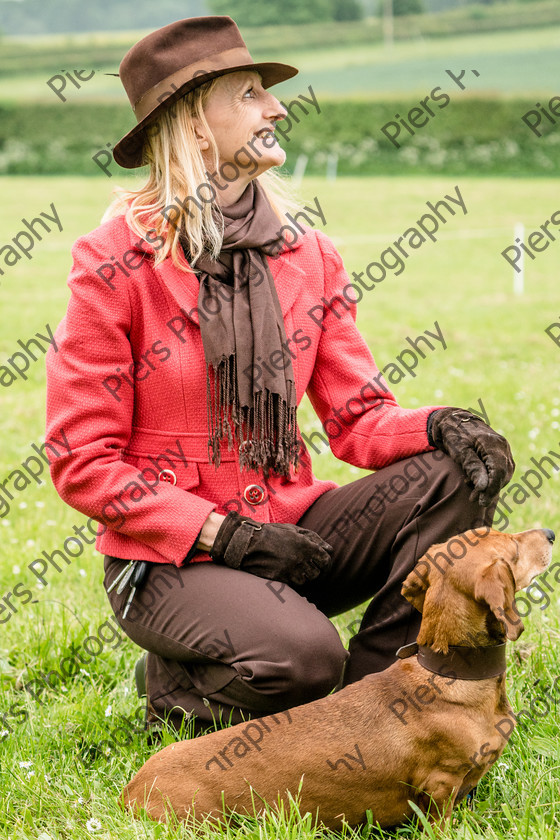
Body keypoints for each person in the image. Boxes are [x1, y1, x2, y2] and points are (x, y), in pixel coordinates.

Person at [45, 15, 514, 736]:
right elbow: (82, 461)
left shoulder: (311, 256)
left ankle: (380, 700)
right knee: (301, 659)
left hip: (291, 536)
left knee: (450, 474)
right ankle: (179, 685)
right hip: (169, 561)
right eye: (251, 94)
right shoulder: (111, 263)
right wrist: (219, 533)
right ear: (196, 123)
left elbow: (357, 418)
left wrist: (438, 425)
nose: (278, 108)